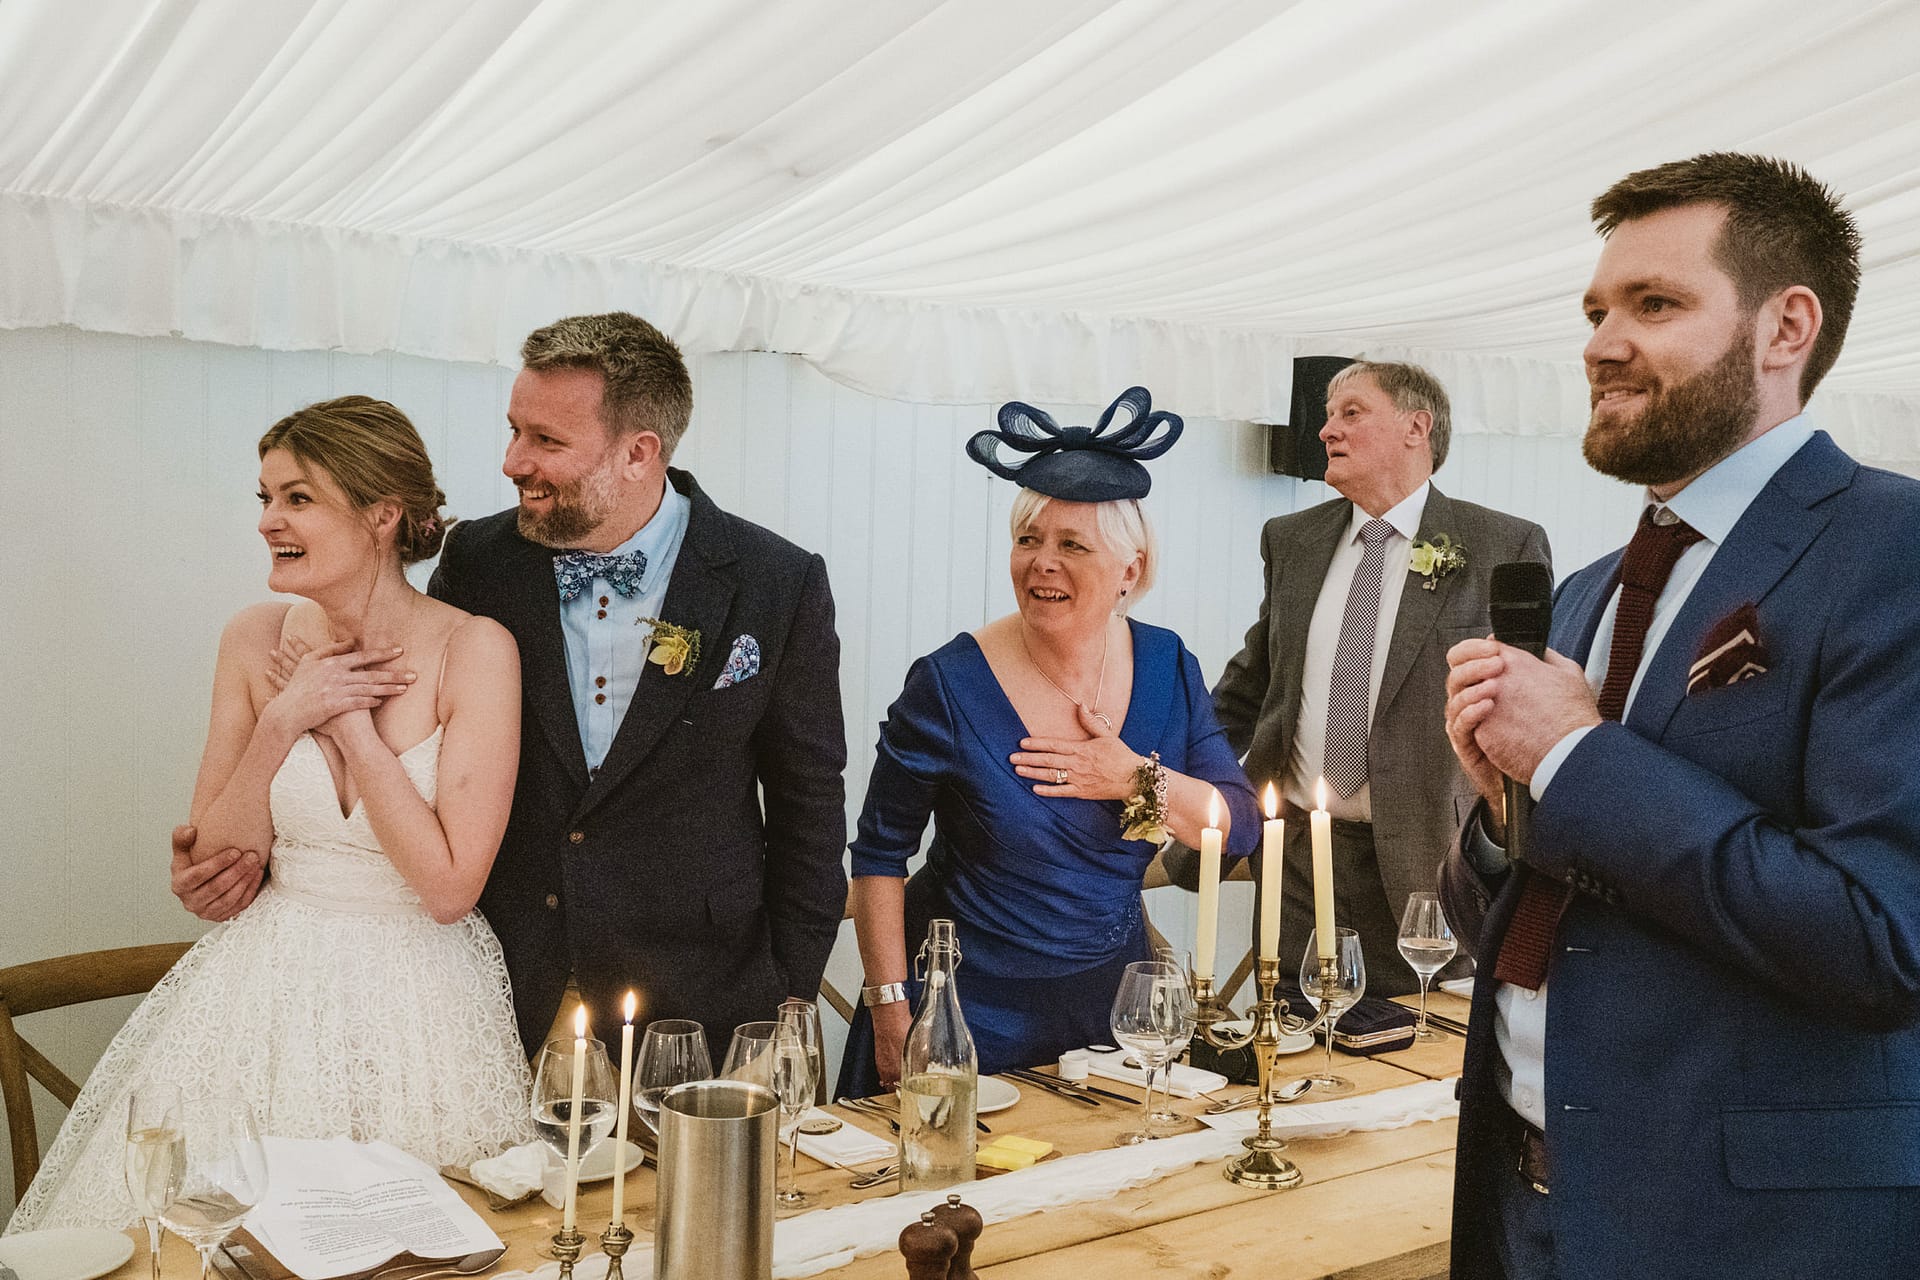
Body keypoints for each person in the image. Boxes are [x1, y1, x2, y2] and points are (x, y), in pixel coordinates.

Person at [1440, 153, 1920, 1277]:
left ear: (1784, 326)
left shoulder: (1892, 550)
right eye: (1598, 310)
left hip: (1747, 1230)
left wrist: (1572, 753)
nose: (1603, 341)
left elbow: (1881, 939)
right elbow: (1521, 926)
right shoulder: (1591, 586)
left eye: (1655, 304)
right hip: (1524, 1200)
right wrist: (1502, 803)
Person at [13, 397, 531, 1233]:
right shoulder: (254, 640)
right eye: (264, 498)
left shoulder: (476, 650)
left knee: (416, 1238)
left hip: (422, 1007)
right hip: (262, 994)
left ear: (381, 515)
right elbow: (216, 864)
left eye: (296, 498)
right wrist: (287, 714)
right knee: (219, 1233)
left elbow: (447, 887)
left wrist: (349, 724)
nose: (267, 521)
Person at [836, 388, 1260, 1096]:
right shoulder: (947, 683)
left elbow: (1236, 824)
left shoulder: (1167, 666)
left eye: (1071, 545)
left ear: (1130, 569)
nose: (1042, 564)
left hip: (1114, 1016)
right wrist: (889, 1008)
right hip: (960, 1015)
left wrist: (1136, 779)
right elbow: (881, 855)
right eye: (1028, 540)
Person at [1176, 361, 1548, 994]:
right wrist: (1164, 778)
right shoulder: (1292, 539)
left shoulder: (1500, 544)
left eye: (1350, 413)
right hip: (1294, 853)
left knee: (1413, 1064)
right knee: (1290, 1042)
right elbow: (1251, 685)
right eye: (1328, 416)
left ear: (1416, 427)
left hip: (1428, 862)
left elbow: (1528, 710)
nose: (1326, 431)